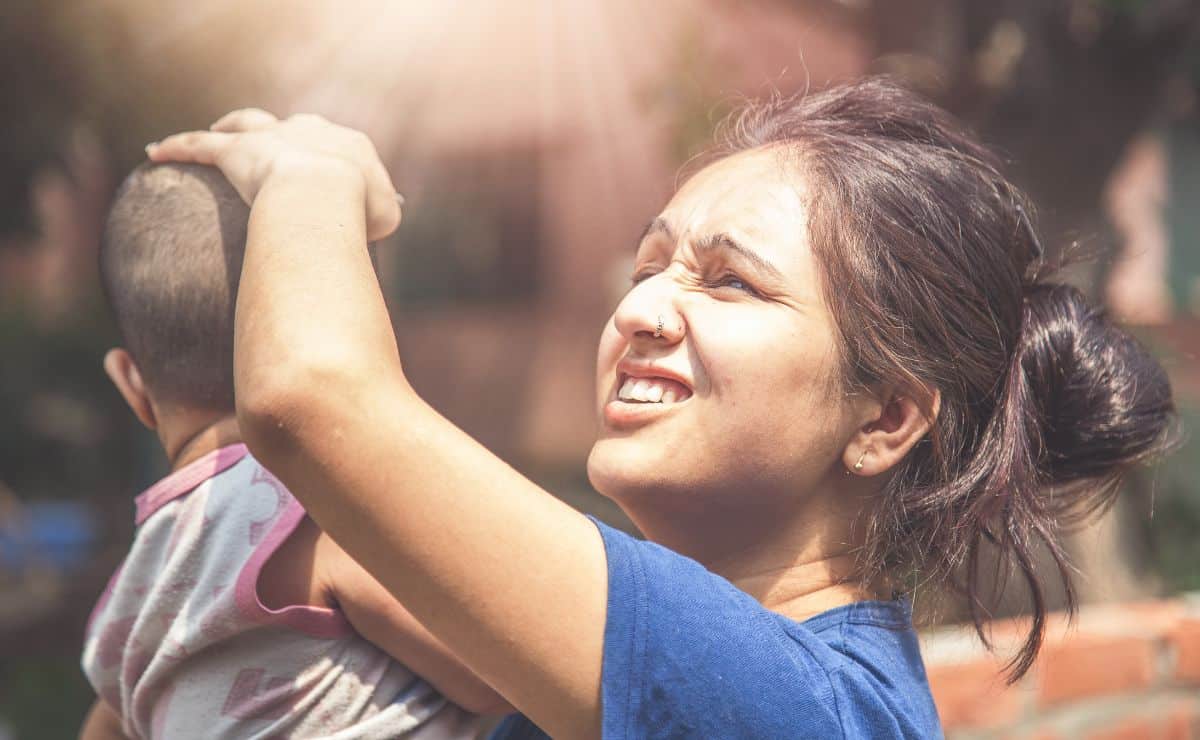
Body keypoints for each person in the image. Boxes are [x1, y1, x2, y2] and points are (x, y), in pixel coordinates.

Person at [147, 78, 1176, 739]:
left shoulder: (780, 697)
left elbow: (310, 398)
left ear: (884, 420)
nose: (638, 310)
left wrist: (313, 168)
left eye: (729, 283)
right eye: (648, 265)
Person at [79, 163, 508, 739]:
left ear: (131, 384)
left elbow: (103, 727)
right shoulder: (321, 508)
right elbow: (495, 674)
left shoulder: (133, 591)